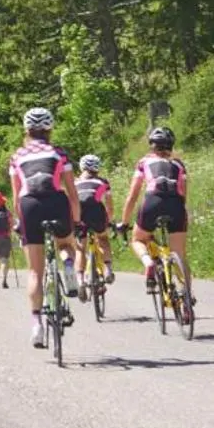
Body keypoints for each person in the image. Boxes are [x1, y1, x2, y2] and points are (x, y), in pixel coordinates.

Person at [9, 107, 82, 349]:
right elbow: (72, 193)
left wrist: (20, 224)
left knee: (35, 273)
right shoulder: (59, 153)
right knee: (65, 244)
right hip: (56, 202)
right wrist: (78, 221)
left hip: (30, 205)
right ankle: (69, 265)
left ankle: (37, 326)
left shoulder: (17, 155)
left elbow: (16, 196)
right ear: (49, 129)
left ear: (26, 130)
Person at [121, 126, 190, 309]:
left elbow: (132, 196)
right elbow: (183, 193)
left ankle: (148, 263)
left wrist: (125, 222)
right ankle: (187, 302)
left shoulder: (144, 162)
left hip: (153, 201)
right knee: (180, 255)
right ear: (171, 145)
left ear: (152, 145)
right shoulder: (179, 164)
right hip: (176, 205)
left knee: (137, 239)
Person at [75, 155, 115, 288]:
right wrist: (109, 220)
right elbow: (109, 204)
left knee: (80, 248)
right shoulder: (102, 182)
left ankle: (80, 280)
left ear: (82, 167)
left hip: (80, 213)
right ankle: (108, 270)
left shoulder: (75, 183)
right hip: (96, 212)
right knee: (103, 239)